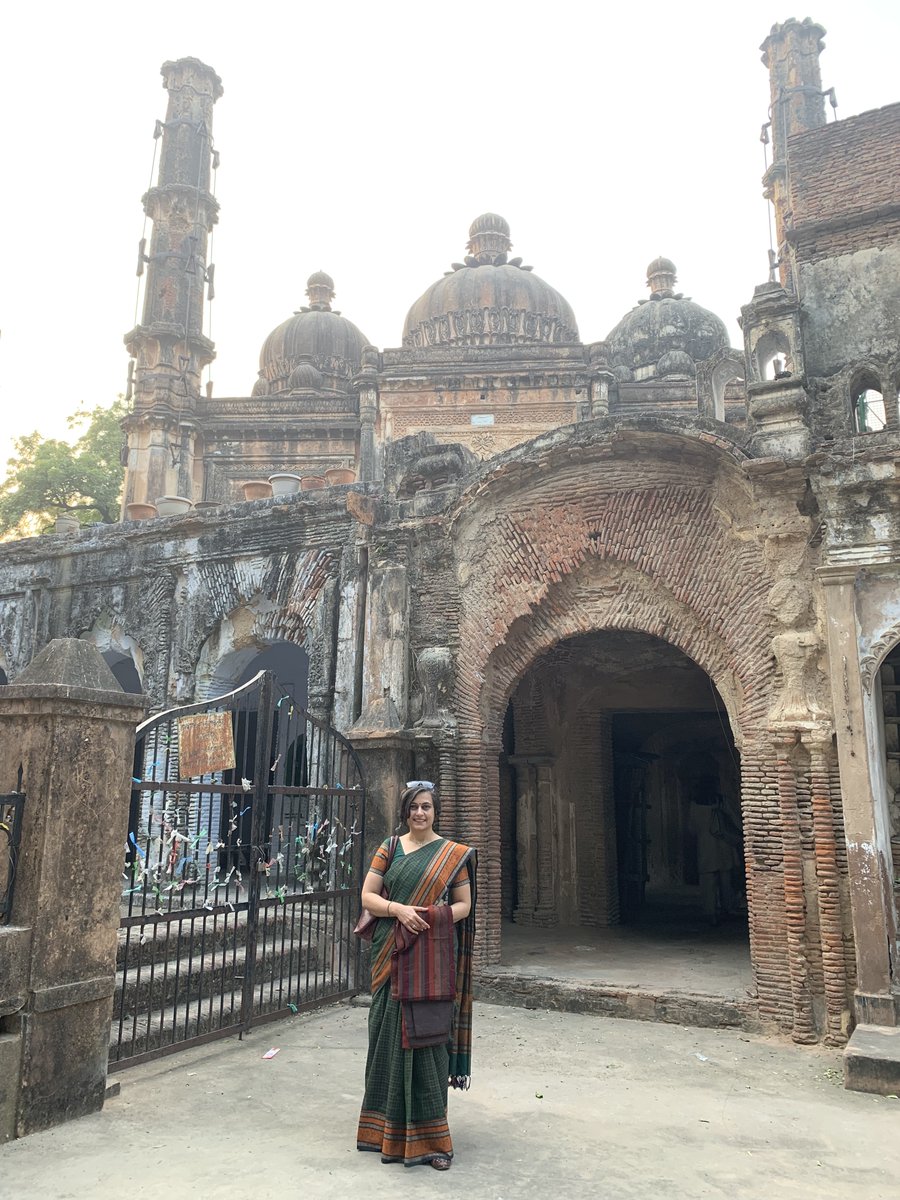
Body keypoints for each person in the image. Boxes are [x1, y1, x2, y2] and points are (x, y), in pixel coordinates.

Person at [356, 781, 476, 1171]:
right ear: (405, 812)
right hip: (391, 952)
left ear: (435, 811)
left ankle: (432, 1141)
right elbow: (368, 897)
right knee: (386, 1036)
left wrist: (426, 917)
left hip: (432, 955)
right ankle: (382, 1131)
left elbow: (464, 905)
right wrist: (399, 910)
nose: (420, 813)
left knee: (428, 1039)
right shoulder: (389, 848)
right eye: (413, 808)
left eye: (426, 807)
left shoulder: (451, 855)